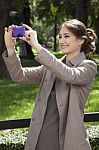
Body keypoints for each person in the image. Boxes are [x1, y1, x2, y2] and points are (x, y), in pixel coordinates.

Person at [3, 19, 97, 150]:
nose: (62, 41)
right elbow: (19, 76)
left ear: (80, 40)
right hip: (39, 141)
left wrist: (37, 46)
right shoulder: (50, 67)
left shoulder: (88, 66)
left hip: (68, 142)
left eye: (67, 36)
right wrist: (10, 48)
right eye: (60, 37)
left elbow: (70, 75)